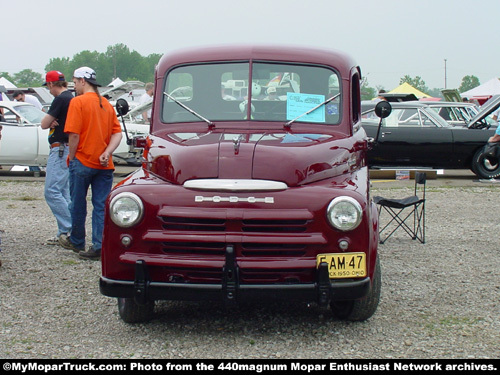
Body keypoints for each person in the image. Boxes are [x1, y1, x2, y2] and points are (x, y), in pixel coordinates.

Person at [58, 67, 122, 260]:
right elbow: (117, 133)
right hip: (104, 164)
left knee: (77, 204)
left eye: (75, 82)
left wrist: (72, 155)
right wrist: (107, 152)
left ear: (83, 81)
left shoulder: (78, 102)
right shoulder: (106, 104)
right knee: (101, 206)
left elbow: (74, 134)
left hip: (83, 160)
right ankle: (99, 246)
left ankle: (77, 241)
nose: (74, 86)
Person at [40, 71, 73, 246]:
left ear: (52, 84)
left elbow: (44, 123)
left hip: (59, 148)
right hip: (67, 148)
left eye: (48, 86)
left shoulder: (60, 99)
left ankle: (71, 228)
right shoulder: (71, 97)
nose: (49, 90)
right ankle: (64, 231)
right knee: (64, 192)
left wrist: (49, 121)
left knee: (52, 191)